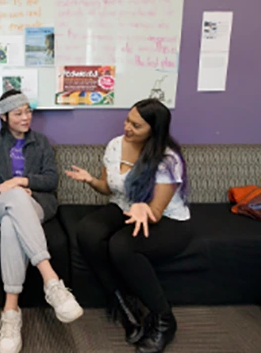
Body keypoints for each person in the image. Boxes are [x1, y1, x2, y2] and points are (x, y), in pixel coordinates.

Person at [65, 98, 191, 353]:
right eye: (127, 120)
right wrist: (90, 179)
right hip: (124, 206)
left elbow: (156, 210)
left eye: (136, 125)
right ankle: (123, 304)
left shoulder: (167, 159)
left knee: (121, 246)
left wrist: (144, 207)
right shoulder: (114, 146)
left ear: (153, 130)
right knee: (88, 231)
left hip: (166, 218)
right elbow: (107, 188)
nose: (127, 127)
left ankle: (164, 320)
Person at [0, 90, 83, 353]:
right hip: (0, 204)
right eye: (18, 113)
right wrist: (7, 189)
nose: (26, 117)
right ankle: (52, 281)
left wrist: (23, 183)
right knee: (14, 202)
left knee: (13, 223)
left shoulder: (41, 142)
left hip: (34, 203)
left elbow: (51, 180)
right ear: (3, 116)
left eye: (28, 111)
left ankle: (11, 312)